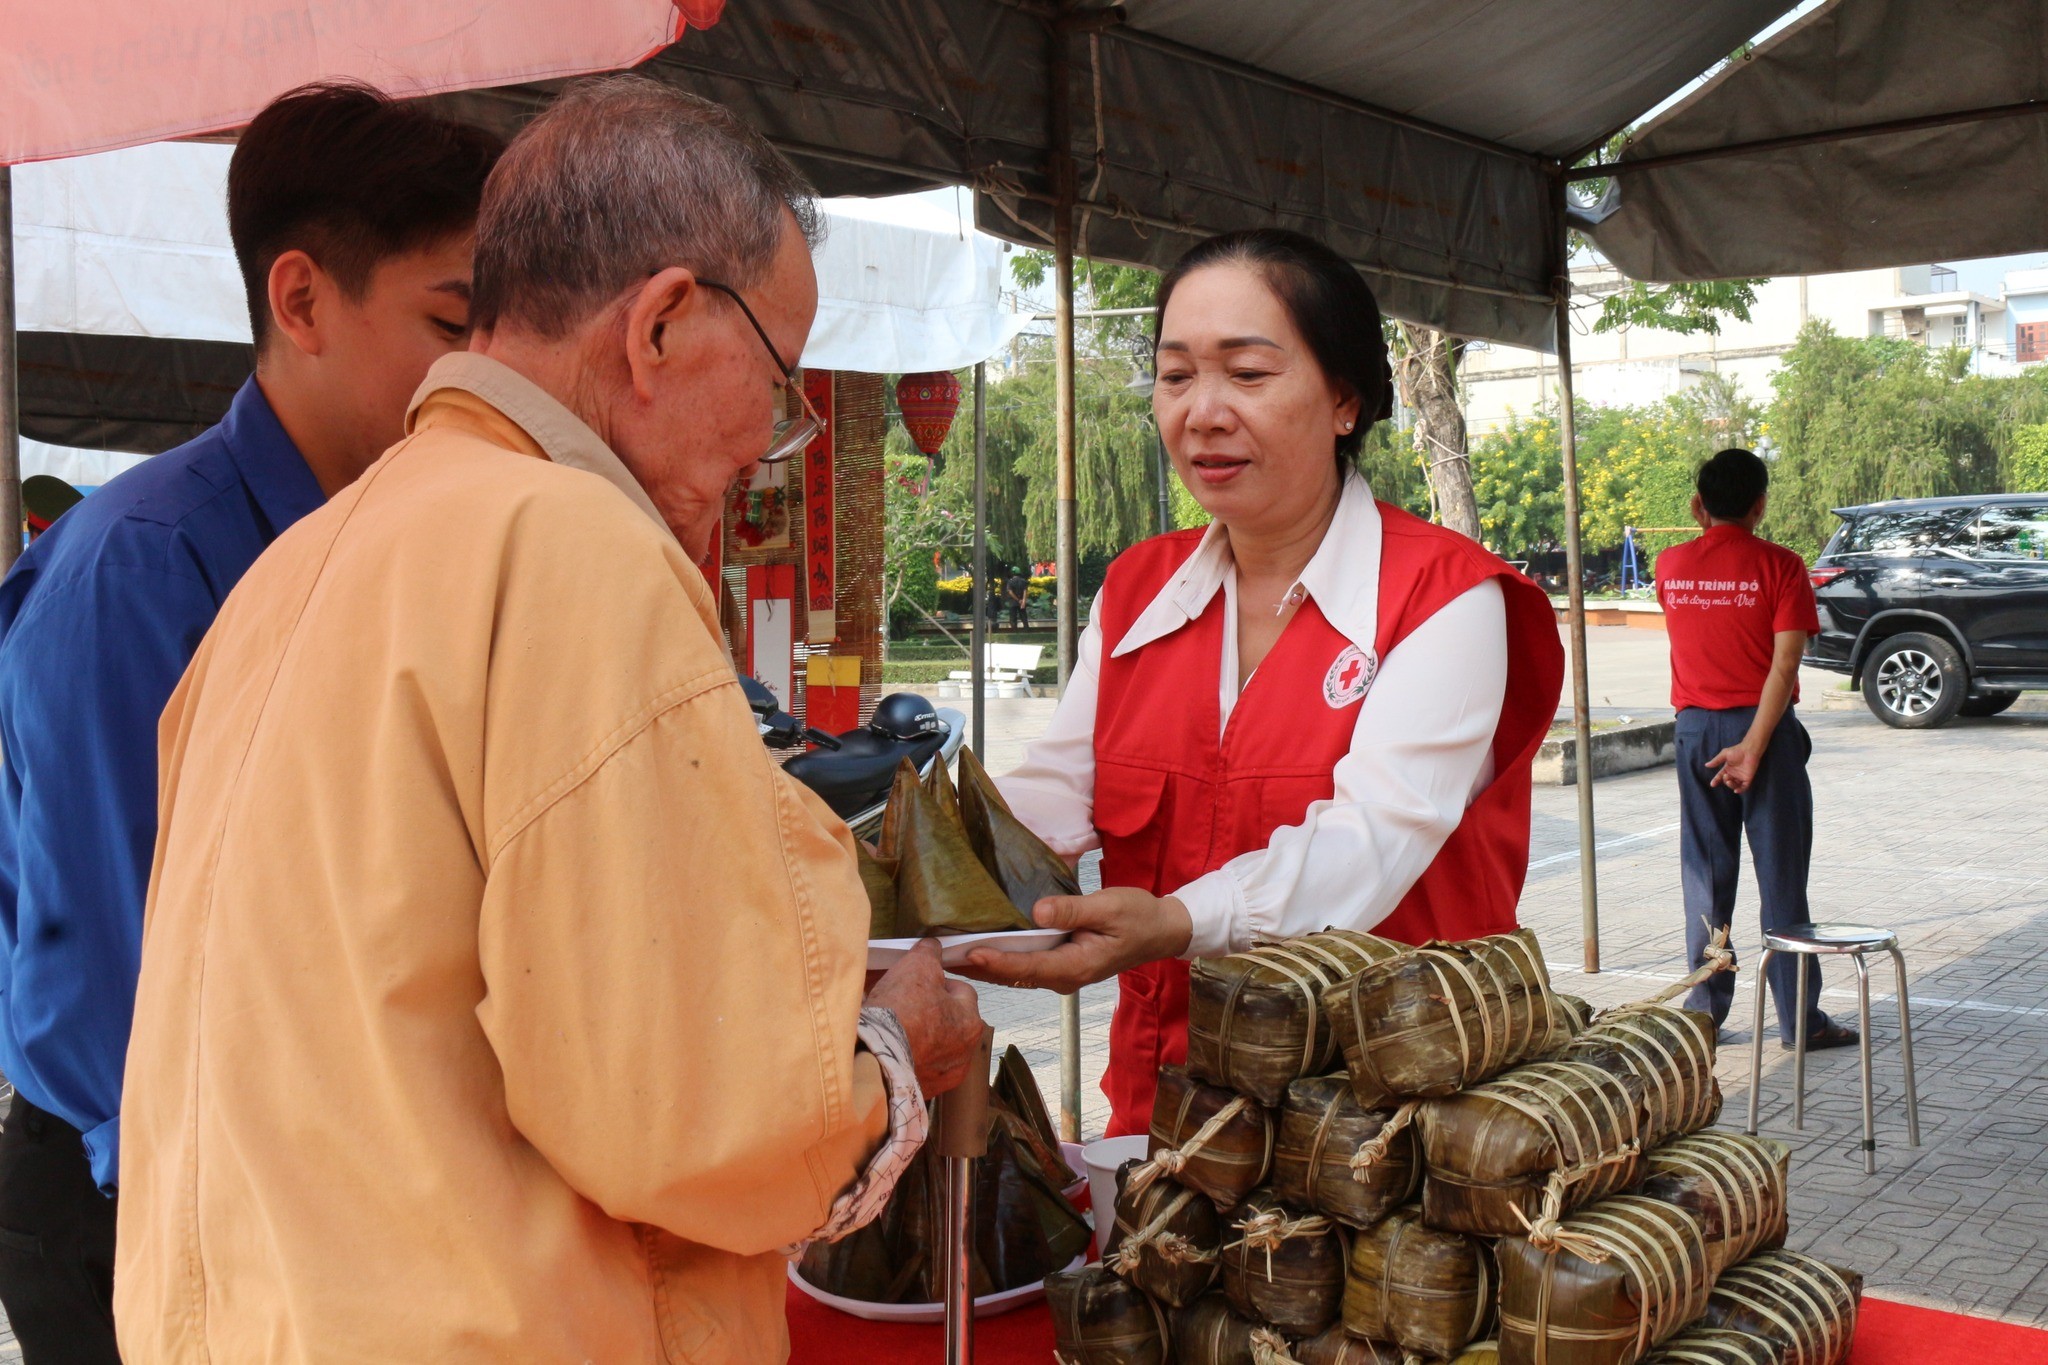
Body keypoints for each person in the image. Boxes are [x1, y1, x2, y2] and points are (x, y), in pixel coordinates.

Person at [114, 77, 982, 1363]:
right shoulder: (574, 549)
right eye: (782, 379)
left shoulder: (295, 566)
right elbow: (696, 1114)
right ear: (666, 324)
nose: (777, 439)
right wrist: (895, 1054)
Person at [0, 83, 502, 1365]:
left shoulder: (404, 545)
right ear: (300, 302)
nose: (486, 378)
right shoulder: (147, 566)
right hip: (152, 1191)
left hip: (325, 1175)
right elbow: (120, 954)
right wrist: (199, 1224)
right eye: (453, 325)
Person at [962, 230, 1564, 1134]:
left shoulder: (1445, 599)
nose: (1201, 412)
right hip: (1167, 1105)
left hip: (1384, 1141)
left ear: (1345, 403)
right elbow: (1057, 785)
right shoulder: (1137, 591)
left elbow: (1367, 846)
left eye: (1246, 373)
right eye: (1174, 377)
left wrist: (1173, 922)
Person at [1655, 447, 1850, 1050]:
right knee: (1782, 876)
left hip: (1694, 734)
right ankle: (1799, 1021)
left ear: (1698, 505)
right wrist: (1754, 748)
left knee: (1706, 878)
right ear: (1760, 506)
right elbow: (1785, 663)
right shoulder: (1782, 566)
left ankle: (1704, 1015)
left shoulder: (1670, 565)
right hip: (1763, 733)